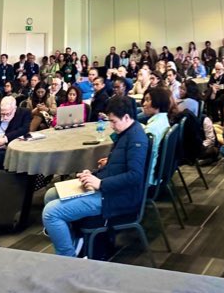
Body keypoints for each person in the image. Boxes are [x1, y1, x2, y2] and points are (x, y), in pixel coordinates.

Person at [41, 95, 148, 257]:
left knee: (50, 213)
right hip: (108, 189)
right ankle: (75, 242)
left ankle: (67, 257)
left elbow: (135, 176)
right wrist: (92, 175)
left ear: (126, 117)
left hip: (115, 198)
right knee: (51, 195)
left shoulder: (136, 138)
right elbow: (117, 166)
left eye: (113, 121)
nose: (111, 126)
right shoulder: (127, 133)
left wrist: (100, 183)